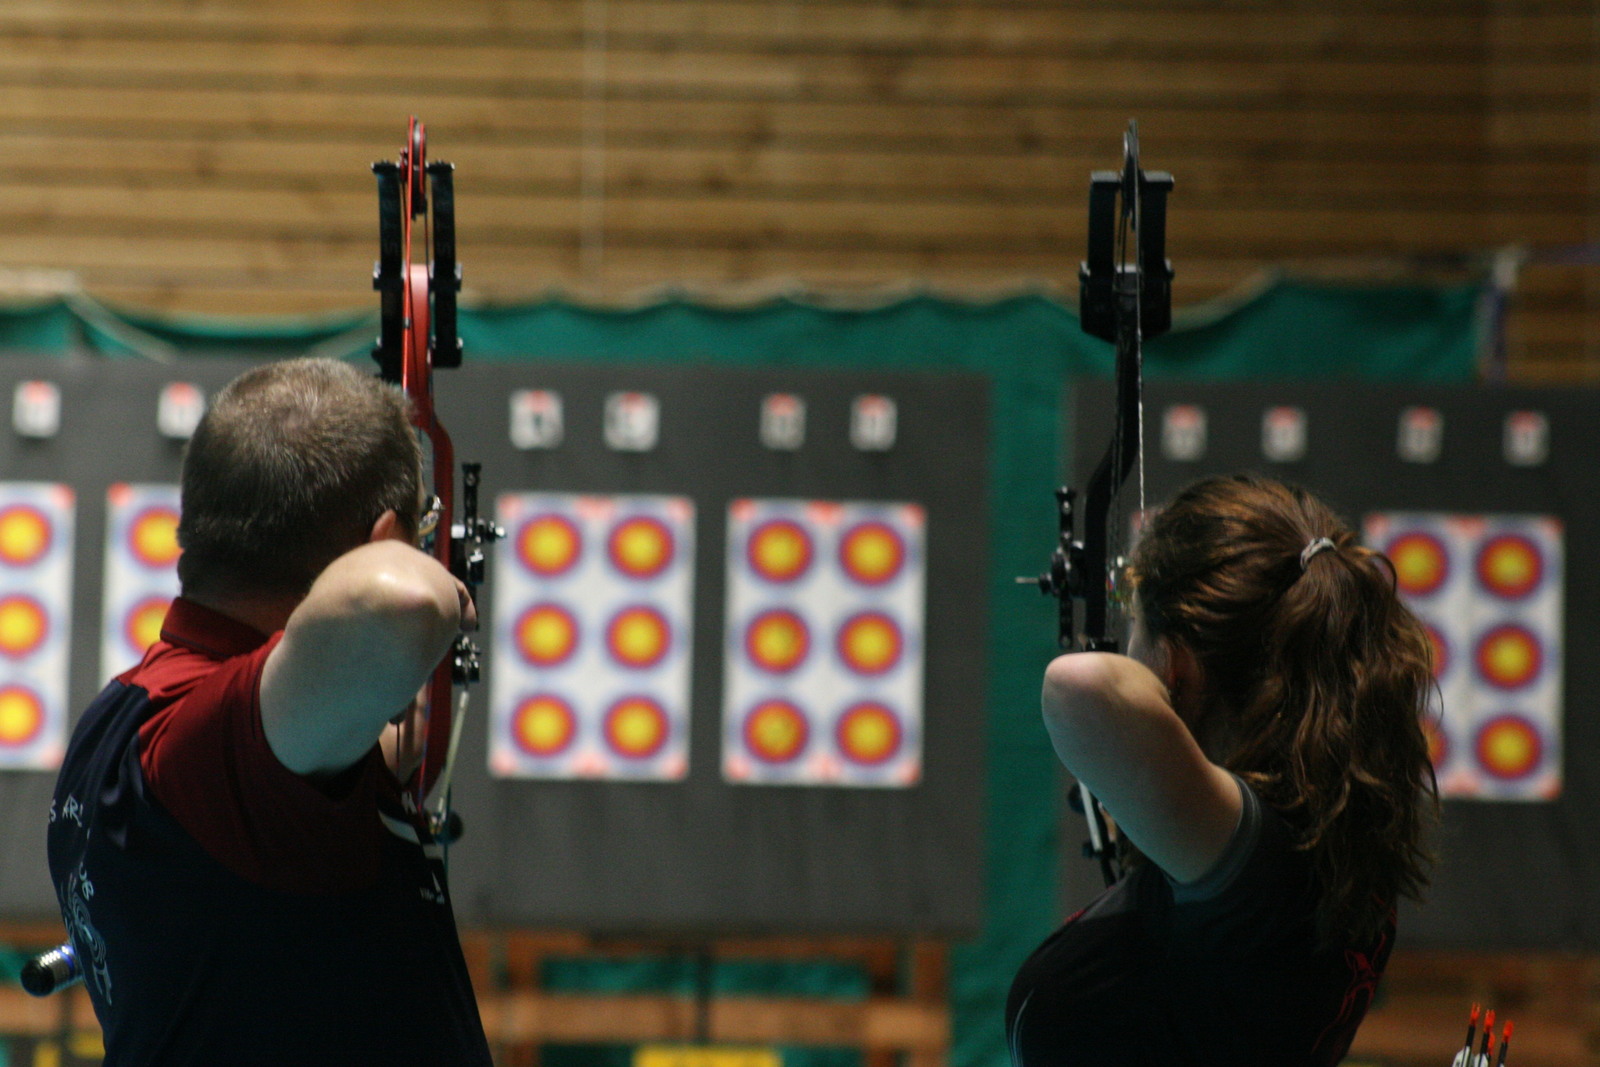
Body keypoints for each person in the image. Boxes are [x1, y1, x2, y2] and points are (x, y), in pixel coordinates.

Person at [47, 358, 492, 1065]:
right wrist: (419, 576)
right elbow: (401, 601)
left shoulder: (129, 712)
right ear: (384, 541)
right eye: (420, 533)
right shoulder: (209, 744)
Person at [1007, 475, 1438, 1067]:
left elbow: (1080, 687)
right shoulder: (1322, 834)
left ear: (1175, 669)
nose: (1126, 652)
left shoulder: (1255, 864)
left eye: (1137, 633)